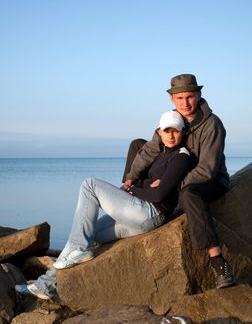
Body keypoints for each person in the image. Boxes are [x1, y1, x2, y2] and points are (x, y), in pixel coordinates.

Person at [15, 110, 192, 300]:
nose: (171, 135)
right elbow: (151, 185)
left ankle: (79, 250)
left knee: (89, 185)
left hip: (150, 213)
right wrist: (145, 187)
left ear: (183, 132)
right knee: (86, 232)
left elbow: (159, 193)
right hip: (137, 213)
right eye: (167, 131)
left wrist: (133, 191)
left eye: (176, 131)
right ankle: (45, 285)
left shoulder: (182, 156)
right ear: (159, 132)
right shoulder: (158, 153)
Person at [121, 73, 235, 289]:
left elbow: (207, 169)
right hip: (175, 172)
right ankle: (132, 199)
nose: (185, 103)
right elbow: (150, 150)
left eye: (189, 97)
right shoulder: (172, 119)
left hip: (207, 180)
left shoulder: (212, 124)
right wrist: (129, 180)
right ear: (172, 98)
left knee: (188, 194)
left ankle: (218, 261)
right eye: (180, 98)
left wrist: (169, 183)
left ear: (199, 95)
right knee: (137, 144)